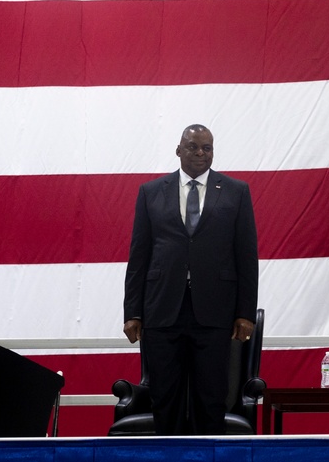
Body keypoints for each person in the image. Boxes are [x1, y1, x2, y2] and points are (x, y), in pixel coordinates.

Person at [122, 124, 259, 435]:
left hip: (215, 310)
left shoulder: (236, 191)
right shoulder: (151, 192)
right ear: (178, 150)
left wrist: (245, 313)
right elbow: (139, 256)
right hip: (162, 310)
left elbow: (247, 258)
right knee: (164, 397)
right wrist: (133, 312)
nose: (201, 153)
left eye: (207, 148)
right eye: (194, 146)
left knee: (210, 398)